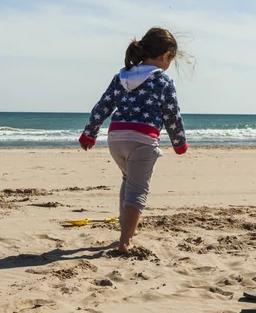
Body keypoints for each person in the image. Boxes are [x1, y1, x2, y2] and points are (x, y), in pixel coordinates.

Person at [79, 27, 189, 253]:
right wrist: (179, 143)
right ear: (165, 56)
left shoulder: (121, 77)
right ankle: (126, 240)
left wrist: (89, 133)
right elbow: (172, 115)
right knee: (137, 190)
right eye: (171, 60)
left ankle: (127, 225)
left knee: (128, 179)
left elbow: (103, 106)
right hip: (143, 140)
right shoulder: (163, 82)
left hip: (116, 138)